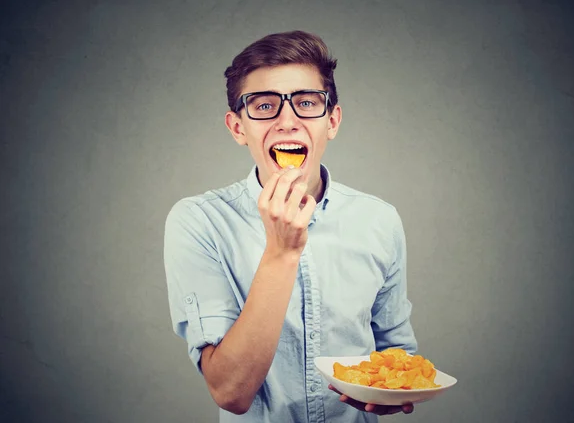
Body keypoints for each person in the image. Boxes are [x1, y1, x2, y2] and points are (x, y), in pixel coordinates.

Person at [163, 30, 417, 422]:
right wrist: (281, 251)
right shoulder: (199, 222)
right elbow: (230, 392)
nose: (287, 121)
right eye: (264, 106)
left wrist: (390, 391)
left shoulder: (379, 220)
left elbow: (397, 355)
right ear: (237, 128)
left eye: (306, 103)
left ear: (331, 121)